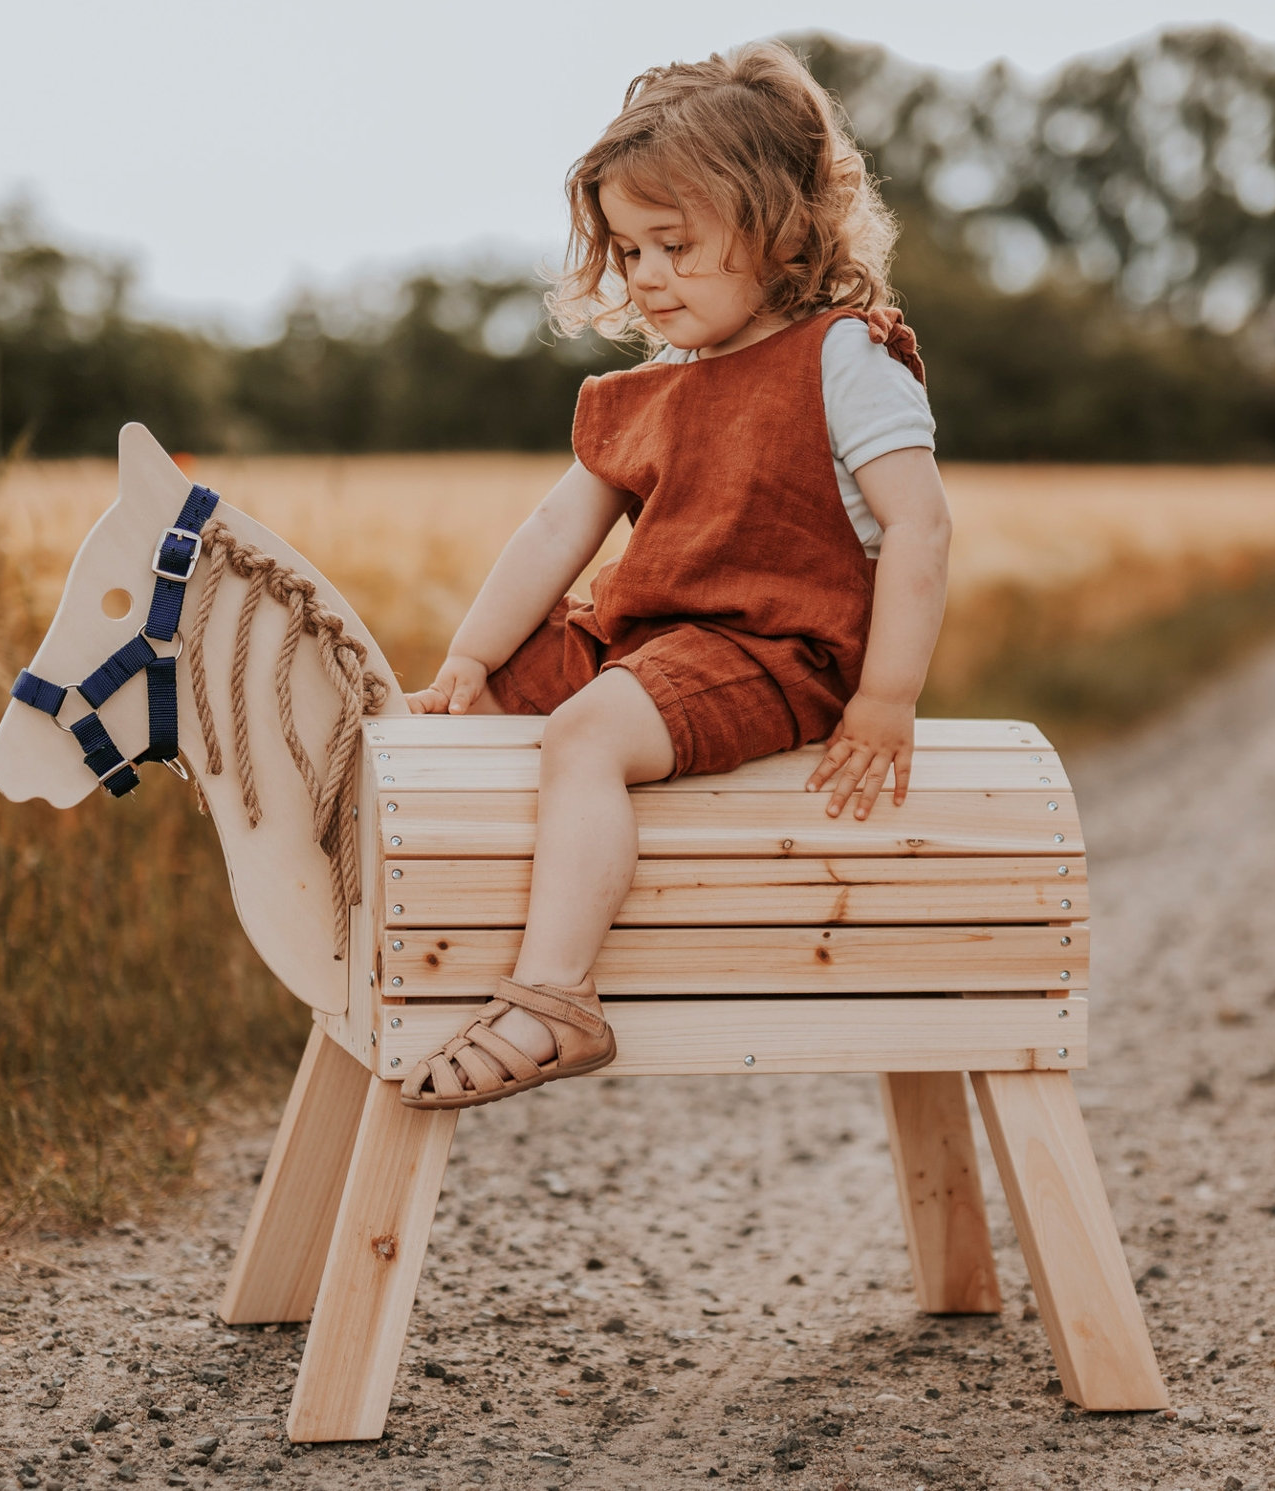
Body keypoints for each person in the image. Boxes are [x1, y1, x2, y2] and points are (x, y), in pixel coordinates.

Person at [398, 41, 952, 1110]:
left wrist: (885, 699)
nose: (644, 276)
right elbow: (554, 532)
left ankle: (555, 997)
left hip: (775, 652)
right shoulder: (650, 388)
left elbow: (919, 530)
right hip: (649, 646)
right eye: (626, 250)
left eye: (674, 245)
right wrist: (472, 658)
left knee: (588, 733)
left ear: (783, 229)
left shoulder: (843, 355)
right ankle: (424, 959)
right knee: (459, 720)